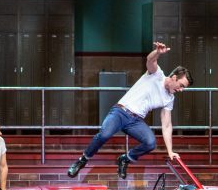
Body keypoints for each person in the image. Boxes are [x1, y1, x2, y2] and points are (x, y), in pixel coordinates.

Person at [67, 41, 193, 179]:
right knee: (104, 135)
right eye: (181, 85)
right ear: (174, 77)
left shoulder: (169, 99)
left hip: (136, 121)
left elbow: (167, 125)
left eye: (183, 88)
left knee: (150, 143)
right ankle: (82, 160)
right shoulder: (157, 75)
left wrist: (170, 151)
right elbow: (150, 60)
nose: (180, 90)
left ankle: (125, 159)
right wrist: (157, 52)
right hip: (120, 112)